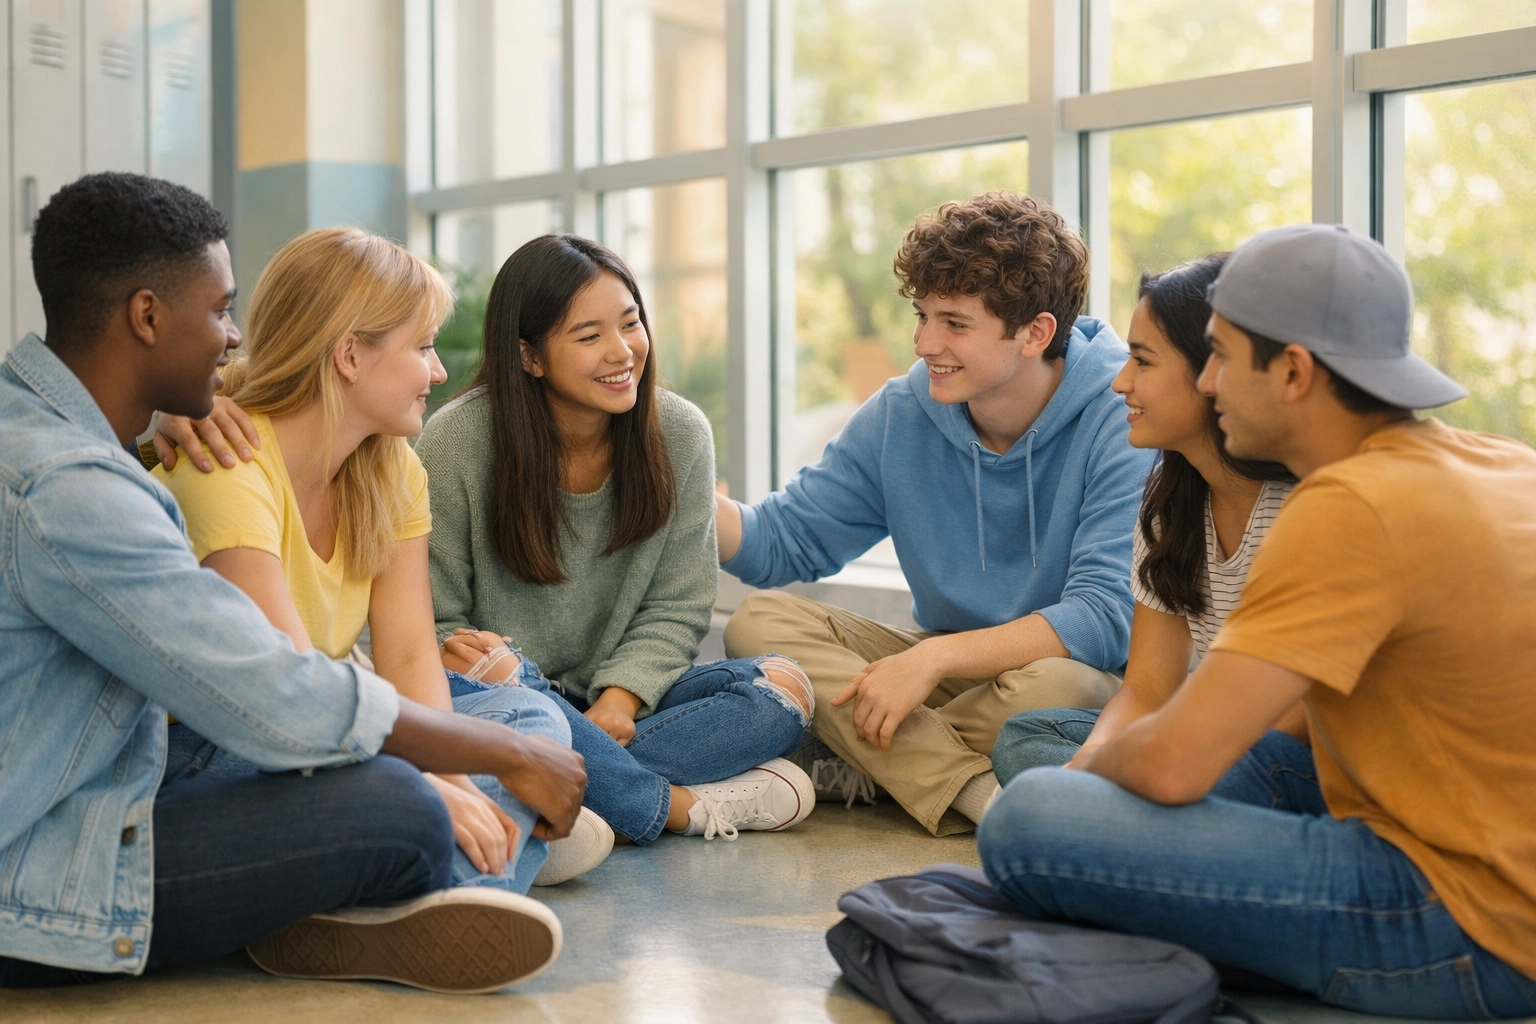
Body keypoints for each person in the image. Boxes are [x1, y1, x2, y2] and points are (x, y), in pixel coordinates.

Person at [0, 172, 585, 995]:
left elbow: (400, 659)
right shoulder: (74, 486)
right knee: (404, 803)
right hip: (44, 879)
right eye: (219, 310)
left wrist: (493, 754)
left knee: (512, 717)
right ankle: (454, 873)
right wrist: (503, 757)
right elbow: (276, 694)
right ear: (146, 317)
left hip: (128, 781)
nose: (235, 338)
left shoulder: (52, 439)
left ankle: (431, 883)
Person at [978, 224, 1536, 1018]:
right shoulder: (1504, 461)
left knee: (1032, 818)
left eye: (1222, 357)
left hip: (1468, 926)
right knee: (1193, 776)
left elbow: (1173, 768)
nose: (1208, 385)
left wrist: (1088, 800)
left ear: (1295, 372)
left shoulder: (1348, 506)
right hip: (1474, 857)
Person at [151, 225, 610, 890]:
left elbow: (408, 658)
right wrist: (423, 785)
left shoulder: (391, 467)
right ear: (349, 356)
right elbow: (290, 699)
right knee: (427, 777)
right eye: (422, 346)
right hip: (215, 744)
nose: (440, 370)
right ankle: (486, 864)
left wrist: (448, 782)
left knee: (528, 719)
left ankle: (454, 861)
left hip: (328, 716)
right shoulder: (225, 469)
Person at [719, 191, 1155, 835]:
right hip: (952, 678)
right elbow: (781, 544)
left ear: (1035, 332)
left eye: (954, 323)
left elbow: (1102, 620)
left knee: (1054, 692)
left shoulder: (1122, 413)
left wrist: (930, 662)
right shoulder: (902, 412)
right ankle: (971, 787)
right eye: (922, 316)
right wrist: (679, 480)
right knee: (758, 624)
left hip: (1054, 674)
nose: (925, 343)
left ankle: (855, 759)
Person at [415, 233, 816, 846]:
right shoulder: (457, 443)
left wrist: (620, 702)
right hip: (511, 697)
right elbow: (438, 625)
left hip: (626, 703)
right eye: (589, 336)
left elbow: (679, 605)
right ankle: (678, 807)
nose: (622, 351)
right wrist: (512, 683)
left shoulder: (680, 433)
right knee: (497, 679)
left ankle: (570, 792)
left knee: (782, 690)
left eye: (630, 324)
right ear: (529, 356)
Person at [991, 254, 1296, 783]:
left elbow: (1300, 713)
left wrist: (1170, 759)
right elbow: (1149, 688)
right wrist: (1088, 768)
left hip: (1291, 753)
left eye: (1143, 362)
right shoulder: (1168, 505)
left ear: (1214, 371)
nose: (1119, 382)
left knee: (1049, 795)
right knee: (1030, 742)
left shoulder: (1299, 505)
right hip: (1205, 734)